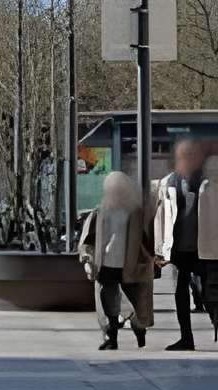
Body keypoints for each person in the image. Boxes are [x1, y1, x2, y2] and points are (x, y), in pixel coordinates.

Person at [80, 170, 154, 350]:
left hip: (130, 265)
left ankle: (139, 329)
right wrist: (88, 259)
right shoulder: (100, 212)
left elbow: (148, 240)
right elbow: (88, 239)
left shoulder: (136, 213)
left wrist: (151, 258)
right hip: (106, 263)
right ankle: (111, 337)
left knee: (135, 303)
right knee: (107, 302)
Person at [152, 138, 209, 350]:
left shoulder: (207, 182)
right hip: (178, 248)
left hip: (204, 248)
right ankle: (186, 337)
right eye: (183, 156)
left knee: (209, 293)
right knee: (181, 294)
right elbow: (160, 217)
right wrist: (160, 248)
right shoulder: (168, 183)